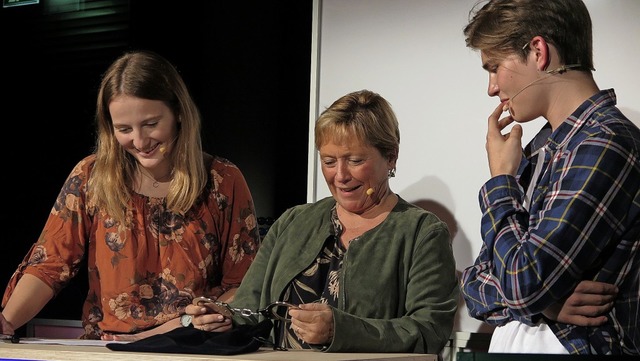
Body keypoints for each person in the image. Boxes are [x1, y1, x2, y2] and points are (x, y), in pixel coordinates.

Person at [0, 50, 261, 340]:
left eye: (151, 124)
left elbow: (246, 284)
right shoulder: (91, 176)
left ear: (178, 112)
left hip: (190, 346)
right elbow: (51, 264)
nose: (139, 141)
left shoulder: (222, 180)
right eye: (124, 129)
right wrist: (6, 322)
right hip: (109, 349)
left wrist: (202, 316)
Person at [184, 89, 459, 354]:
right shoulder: (293, 222)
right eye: (328, 161)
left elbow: (429, 331)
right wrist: (222, 318)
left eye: (354, 160)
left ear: (391, 157)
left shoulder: (421, 233)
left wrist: (343, 331)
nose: (340, 175)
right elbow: (250, 311)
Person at [460, 0, 640, 355]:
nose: (491, 88)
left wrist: (501, 181)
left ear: (539, 52)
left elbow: (522, 281)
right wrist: (546, 305)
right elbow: (473, 284)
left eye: (494, 67)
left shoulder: (606, 143)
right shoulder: (543, 146)